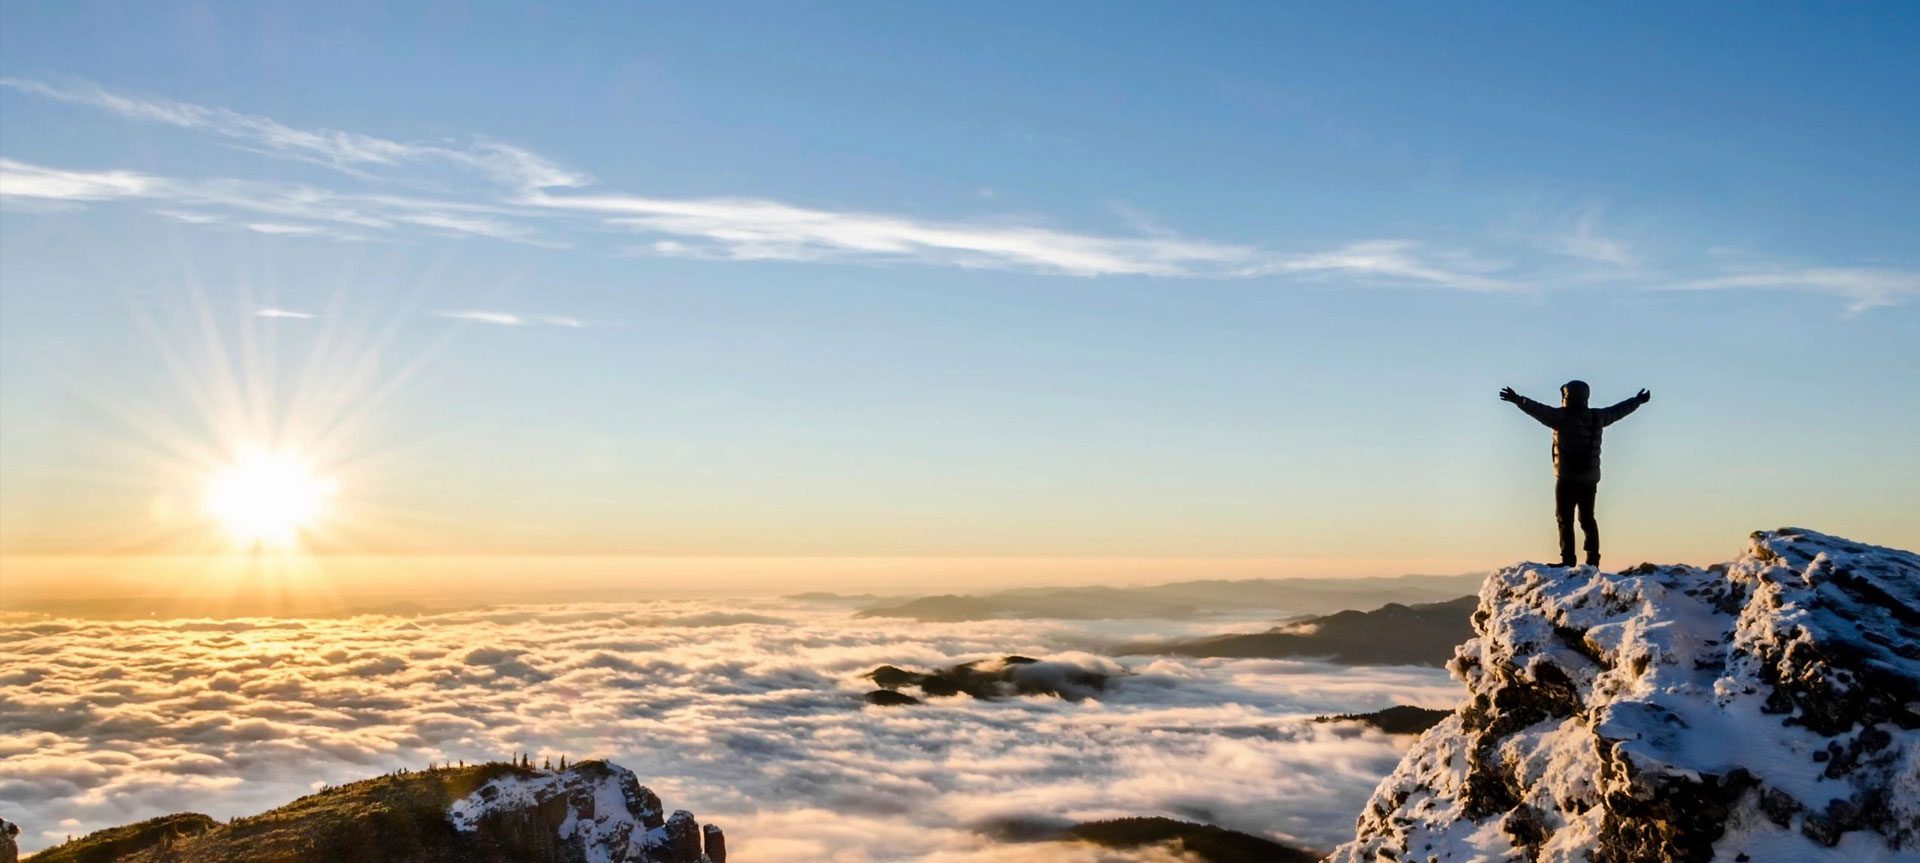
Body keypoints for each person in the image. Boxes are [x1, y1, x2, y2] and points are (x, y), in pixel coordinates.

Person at [1499, 381, 1650, 568]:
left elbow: (1538, 410)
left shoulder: (1560, 417)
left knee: (1564, 518)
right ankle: (1593, 559)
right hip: (1589, 478)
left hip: (1566, 478)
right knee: (1587, 518)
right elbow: (1618, 410)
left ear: (1567, 396)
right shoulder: (1598, 416)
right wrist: (1637, 401)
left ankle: (1568, 560)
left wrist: (1517, 399)